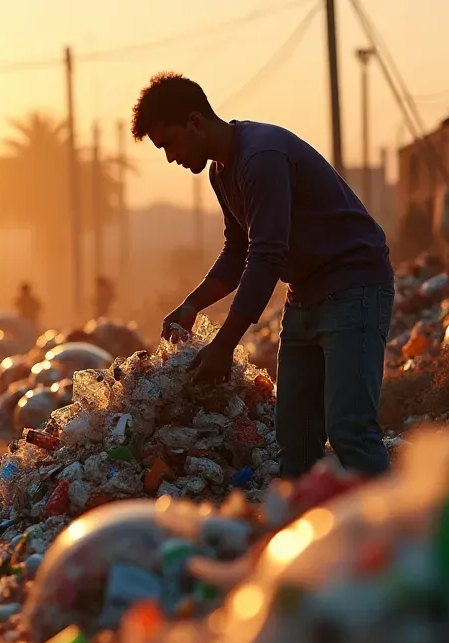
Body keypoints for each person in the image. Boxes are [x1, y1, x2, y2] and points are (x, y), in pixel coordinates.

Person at [132, 72, 395, 479]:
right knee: (296, 442)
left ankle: (403, 537)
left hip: (353, 288)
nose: (170, 157)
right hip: (305, 296)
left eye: (170, 143)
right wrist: (191, 305)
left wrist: (224, 345)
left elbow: (267, 255)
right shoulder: (221, 172)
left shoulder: (261, 157)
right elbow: (238, 251)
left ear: (195, 121)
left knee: (351, 432)